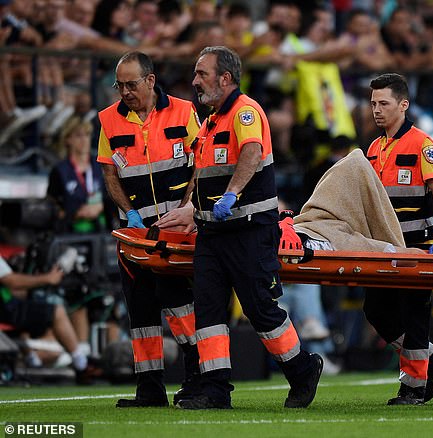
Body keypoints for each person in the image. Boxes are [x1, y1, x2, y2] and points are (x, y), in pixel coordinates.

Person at [178, 46, 322, 410]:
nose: (195, 81)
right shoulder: (210, 122)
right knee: (208, 313)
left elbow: (252, 153)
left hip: (248, 229)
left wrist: (230, 195)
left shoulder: (245, 111)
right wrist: (187, 209)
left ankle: (301, 368)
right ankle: (215, 390)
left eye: (201, 74)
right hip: (212, 232)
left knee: (261, 310)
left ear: (224, 78)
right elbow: (200, 174)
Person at [97, 51, 201, 408]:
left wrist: (189, 206)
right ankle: (150, 389)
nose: (124, 92)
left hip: (175, 230)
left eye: (131, 84)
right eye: (119, 85)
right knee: (140, 311)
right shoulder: (109, 121)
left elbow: (199, 164)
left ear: (150, 81)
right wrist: (130, 213)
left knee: (179, 304)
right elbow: (109, 173)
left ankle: (198, 377)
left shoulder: (184, 111)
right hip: (135, 232)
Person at [364, 73, 433, 406]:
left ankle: (413, 386)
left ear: (403, 105)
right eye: (373, 103)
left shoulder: (421, 143)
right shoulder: (374, 148)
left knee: (414, 313)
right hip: (386, 245)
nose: (376, 110)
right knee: (375, 309)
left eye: (384, 103)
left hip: (418, 243)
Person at [0, 255, 93, 382]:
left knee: (32, 315)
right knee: (56, 311)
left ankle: (32, 360)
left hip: (7, 305)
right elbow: (11, 281)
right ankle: (82, 366)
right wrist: (47, 278)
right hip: (5, 307)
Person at [47, 116, 106, 234]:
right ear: (68, 139)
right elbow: (52, 206)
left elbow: (112, 197)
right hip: (71, 234)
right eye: (79, 135)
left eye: (87, 135)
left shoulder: (100, 165)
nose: (84, 140)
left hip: (102, 232)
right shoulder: (59, 170)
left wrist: (100, 206)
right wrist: (75, 213)